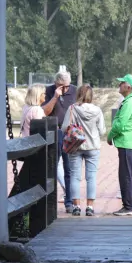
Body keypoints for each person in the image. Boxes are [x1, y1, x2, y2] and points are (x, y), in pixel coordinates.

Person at [62, 84, 105, 216]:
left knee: (75, 176)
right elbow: (102, 131)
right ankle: (90, 207)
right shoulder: (97, 110)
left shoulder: (72, 108)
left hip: (76, 146)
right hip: (93, 146)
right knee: (91, 177)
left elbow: (64, 127)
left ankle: (76, 206)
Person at [107, 74, 132, 216]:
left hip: (126, 141)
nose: (119, 85)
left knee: (125, 175)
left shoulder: (129, 102)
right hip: (130, 141)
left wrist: (110, 136)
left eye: (121, 83)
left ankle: (129, 206)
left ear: (128, 86)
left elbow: (120, 124)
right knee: (129, 174)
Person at [42, 71, 78, 212]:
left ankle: (69, 202)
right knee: (51, 167)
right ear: (56, 84)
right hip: (54, 131)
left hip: (70, 132)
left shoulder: (74, 91)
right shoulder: (49, 91)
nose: (65, 89)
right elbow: (45, 112)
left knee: (69, 169)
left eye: (67, 86)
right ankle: (49, 202)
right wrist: (55, 97)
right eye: (61, 86)